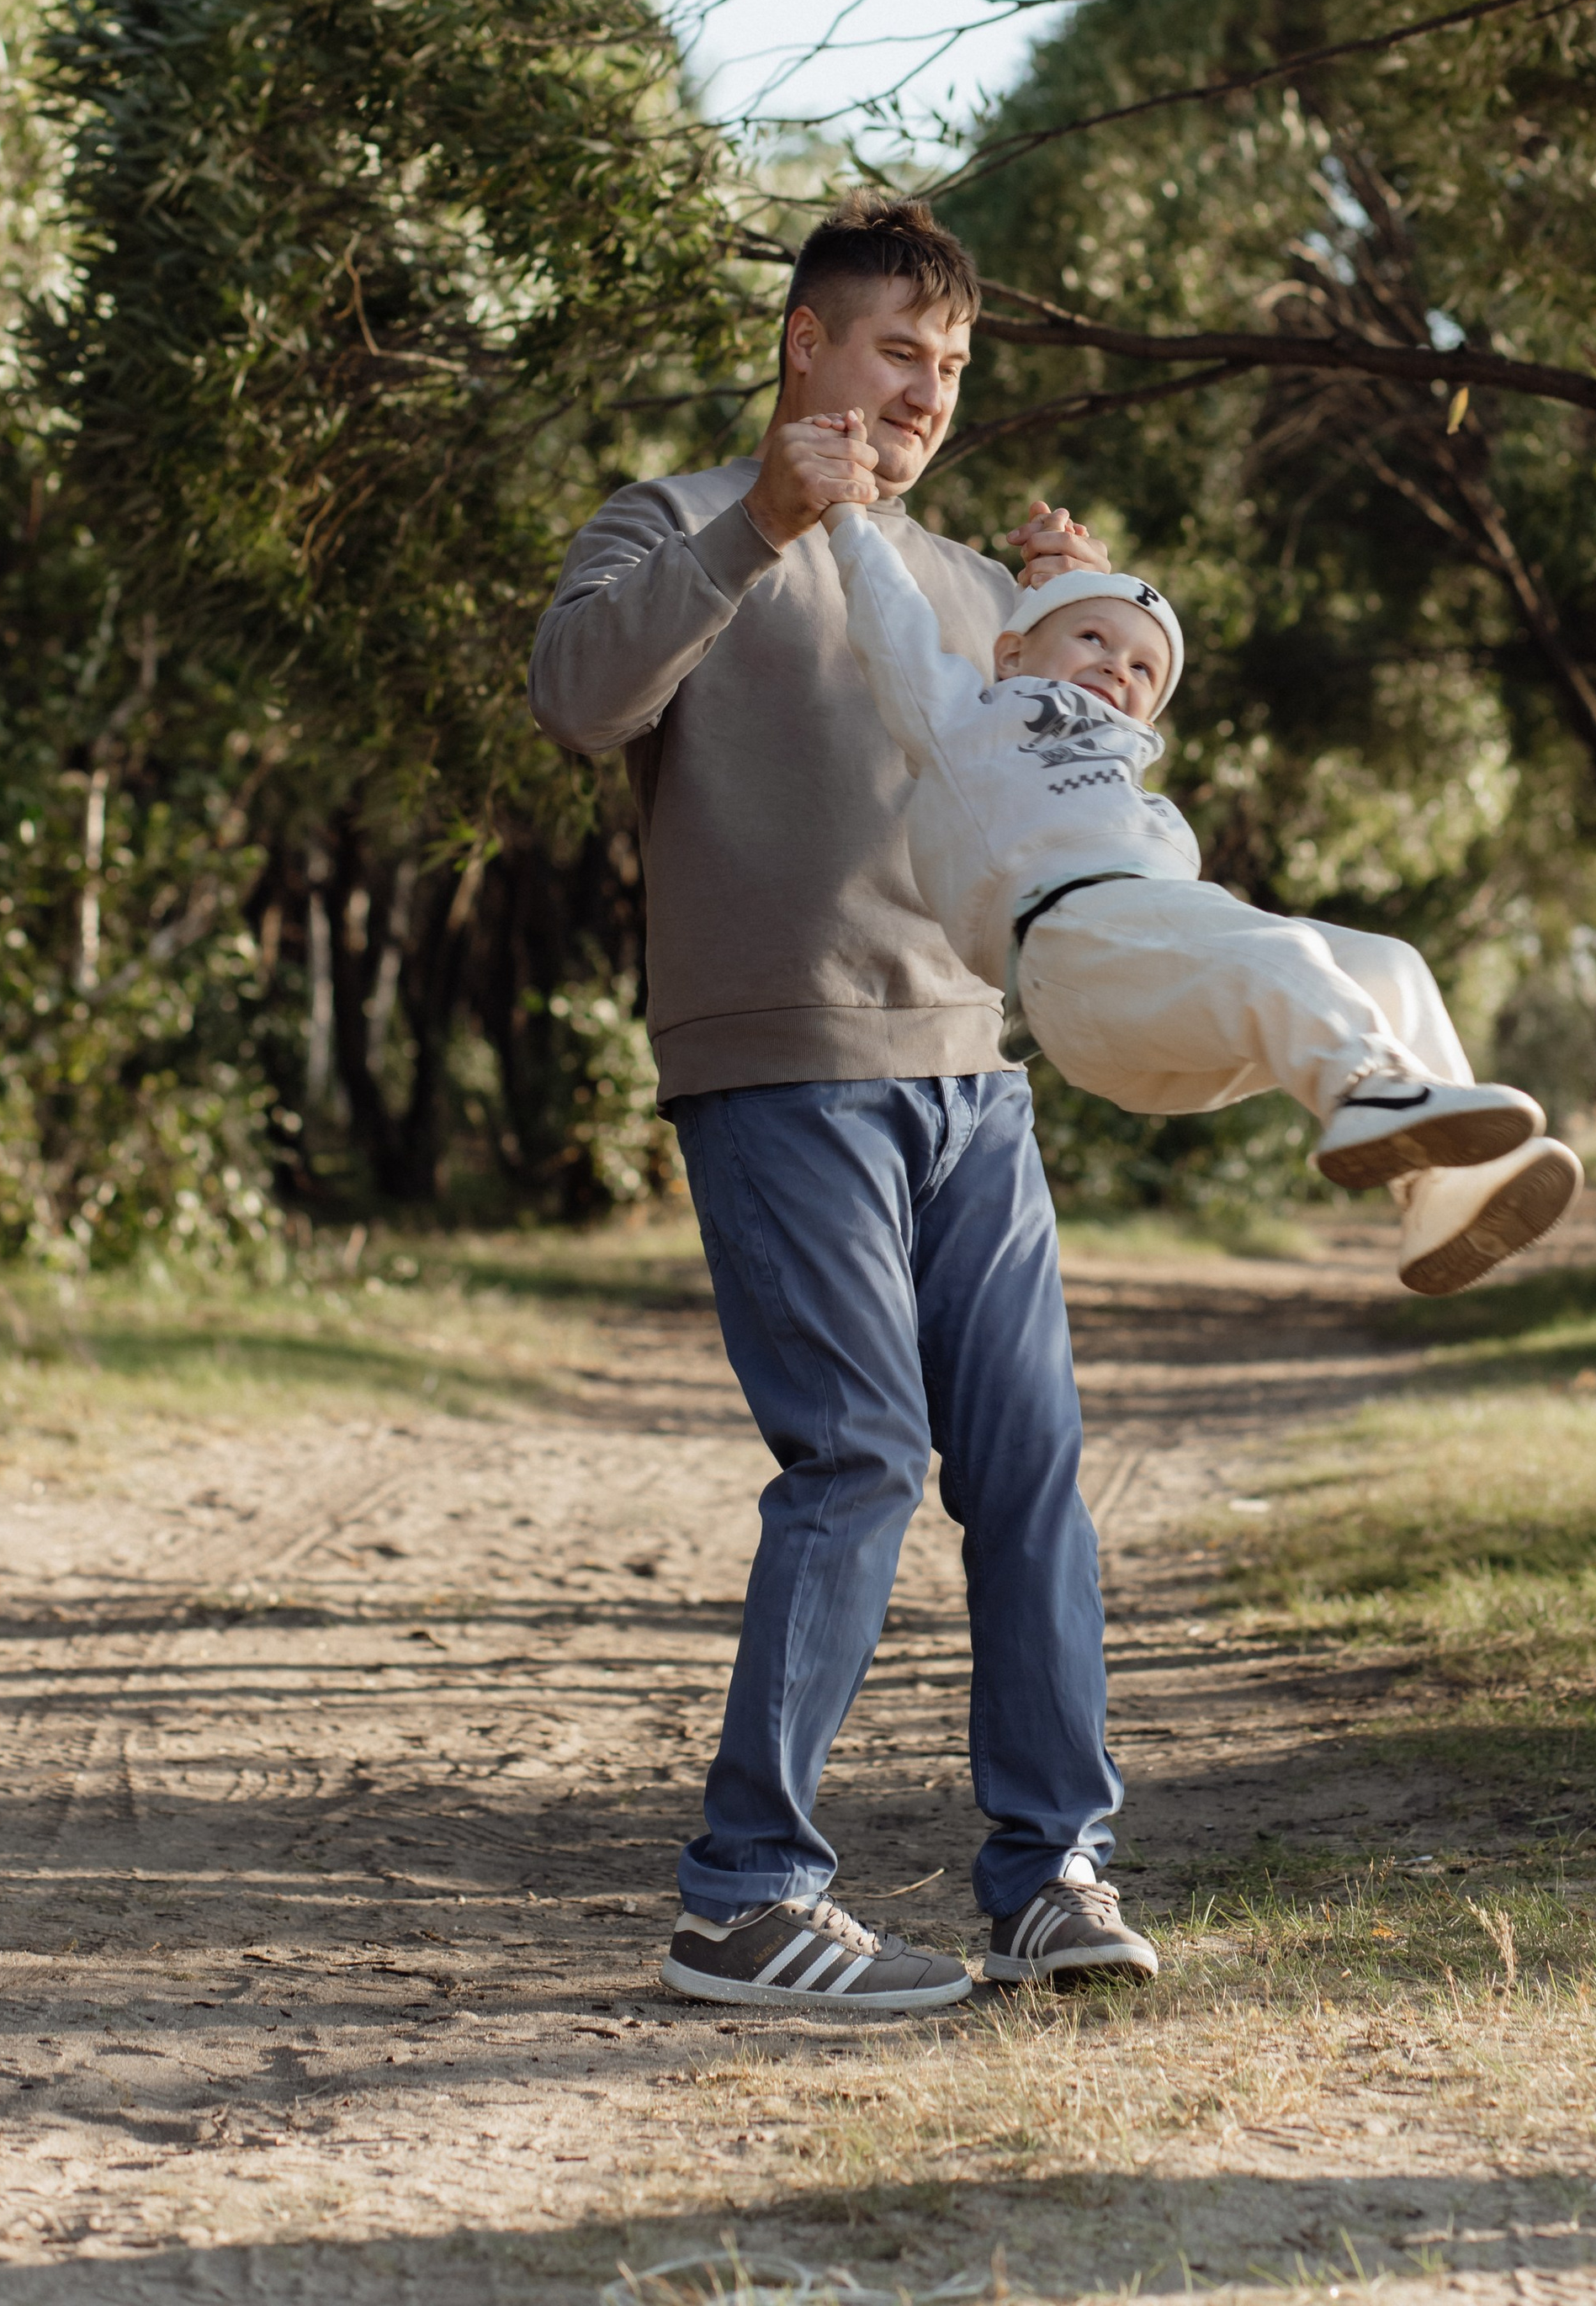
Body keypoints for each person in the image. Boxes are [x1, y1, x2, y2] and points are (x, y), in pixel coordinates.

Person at [527, 195, 1158, 2017]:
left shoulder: (972, 588)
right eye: (897, 351)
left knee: (1029, 1472)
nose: (924, 393)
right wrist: (763, 523)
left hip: (974, 1075)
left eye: (951, 368)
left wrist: (1083, 620)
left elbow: (1082, 802)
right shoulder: (674, 525)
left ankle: (1049, 1870)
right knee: (860, 1455)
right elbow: (576, 700)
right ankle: (742, 1896)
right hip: (781, 1065)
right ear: (805, 342)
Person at [819, 480, 1583, 1295]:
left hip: (1167, 1012)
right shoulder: (967, 722)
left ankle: (1440, 1190)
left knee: (1384, 965)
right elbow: (894, 630)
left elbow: (1067, 671)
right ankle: (1370, 1092)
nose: (1116, 665)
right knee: (1279, 952)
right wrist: (849, 520)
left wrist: (1066, 599)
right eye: (1092, 639)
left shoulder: (1130, 785)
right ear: (1009, 655)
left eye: (1143, 666)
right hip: (1071, 953)